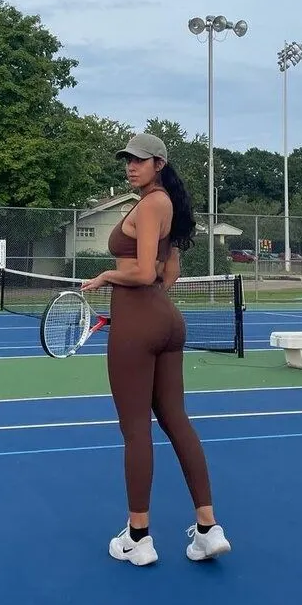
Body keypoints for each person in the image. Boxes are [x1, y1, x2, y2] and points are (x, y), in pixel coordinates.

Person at [81, 133, 231, 566]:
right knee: (176, 420)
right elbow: (169, 275)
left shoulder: (150, 205)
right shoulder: (169, 207)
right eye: (127, 160)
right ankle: (208, 529)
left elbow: (145, 273)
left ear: (159, 164)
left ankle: (138, 538)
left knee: (135, 430)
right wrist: (140, 311)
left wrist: (108, 277)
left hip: (140, 323)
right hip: (166, 321)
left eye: (140, 160)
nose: (131, 166)